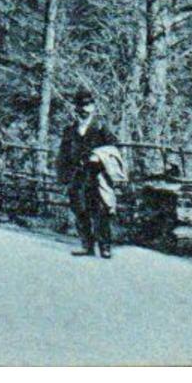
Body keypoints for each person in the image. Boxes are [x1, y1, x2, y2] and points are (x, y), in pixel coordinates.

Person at [56, 88, 120, 258]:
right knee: (79, 209)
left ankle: (105, 246)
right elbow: (63, 154)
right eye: (80, 106)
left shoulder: (101, 127)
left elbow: (114, 148)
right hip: (77, 175)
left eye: (87, 106)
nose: (83, 110)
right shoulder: (70, 130)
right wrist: (63, 176)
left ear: (93, 107)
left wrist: (98, 156)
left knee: (100, 210)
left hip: (96, 175)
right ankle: (87, 245)